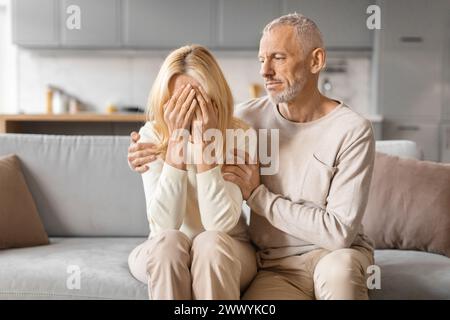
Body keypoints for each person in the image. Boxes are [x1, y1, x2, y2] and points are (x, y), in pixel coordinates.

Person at [128, 13, 376, 300]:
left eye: (278, 58)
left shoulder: (352, 129)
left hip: (335, 254)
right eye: (261, 60)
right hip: (275, 264)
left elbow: (338, 233)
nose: (265, 71)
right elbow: (197, 128)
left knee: (339, 273)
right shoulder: (246, 118)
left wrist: (258, 195)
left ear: (316, 61)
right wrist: (161, 150)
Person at [127, 45, 257, 300]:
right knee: (170, 245)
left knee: (210, 245)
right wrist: (176, 142)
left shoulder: (240, 135)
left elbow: (218, 225)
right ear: (165, 101)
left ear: (215, 98)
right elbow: (165, 226)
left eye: (195, 100)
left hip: (228, 247)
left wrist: (204, 147)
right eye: (178, 102)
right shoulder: (152, 135)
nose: (186, 111)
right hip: (164, 247)